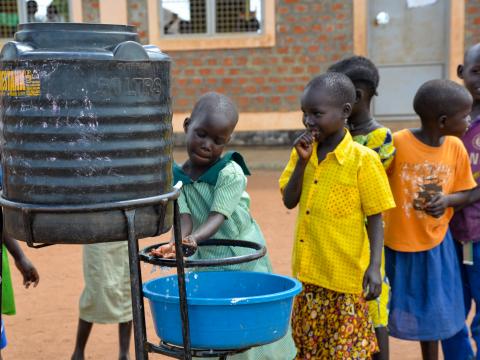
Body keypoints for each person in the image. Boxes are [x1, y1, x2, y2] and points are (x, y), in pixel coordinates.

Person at [153, 92, 297, 359]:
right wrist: (177, 243)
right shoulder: (177, 177)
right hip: (207, 255)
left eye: (218, 141)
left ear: (227, 142)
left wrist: (192, 241)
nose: (208, 145)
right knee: (214, 320)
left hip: (241, 257)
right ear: (186, 126)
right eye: (202, 134)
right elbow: (184, 218)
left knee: (246, 324)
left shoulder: (230, 172)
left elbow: (216, 218)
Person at [279, 72, 395, 359]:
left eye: (317, 113)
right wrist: (302, 164)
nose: (308, 121)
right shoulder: (302, 152)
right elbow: (289, 200)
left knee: (345, 353)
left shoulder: (362, 160)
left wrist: (374, 267)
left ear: (345, 111)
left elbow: (376, 217)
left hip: (344, 282)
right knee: (310, 350)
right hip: (308, 279)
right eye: (304, 113)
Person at [383, 79, 480, 360]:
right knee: (391, 309)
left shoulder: (455, 148)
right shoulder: (398, 143)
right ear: (442, 120)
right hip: (397, 246)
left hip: (437, 245)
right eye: (465, 116)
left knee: (435, 313)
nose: (469, 120)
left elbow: (467, 192)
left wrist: (447, 201)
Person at [328, 56, 395, 360]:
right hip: (339, 240)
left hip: (368, 244)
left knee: (374, 310)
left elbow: (367, 191)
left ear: (356, 97)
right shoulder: (338, 136)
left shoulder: (379, 139)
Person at [441, 42, 480, 359]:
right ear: (461, 73)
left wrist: (452, 198)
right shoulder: (445, 124)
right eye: (476, 71)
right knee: (450, 313)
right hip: (447, 237)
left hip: (479, 236)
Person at [71, 242, 132, 360]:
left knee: (127, 292)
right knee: (94, 293)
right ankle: (78, 353)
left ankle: (124, 354)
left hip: (124, 236)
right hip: (97, 237)